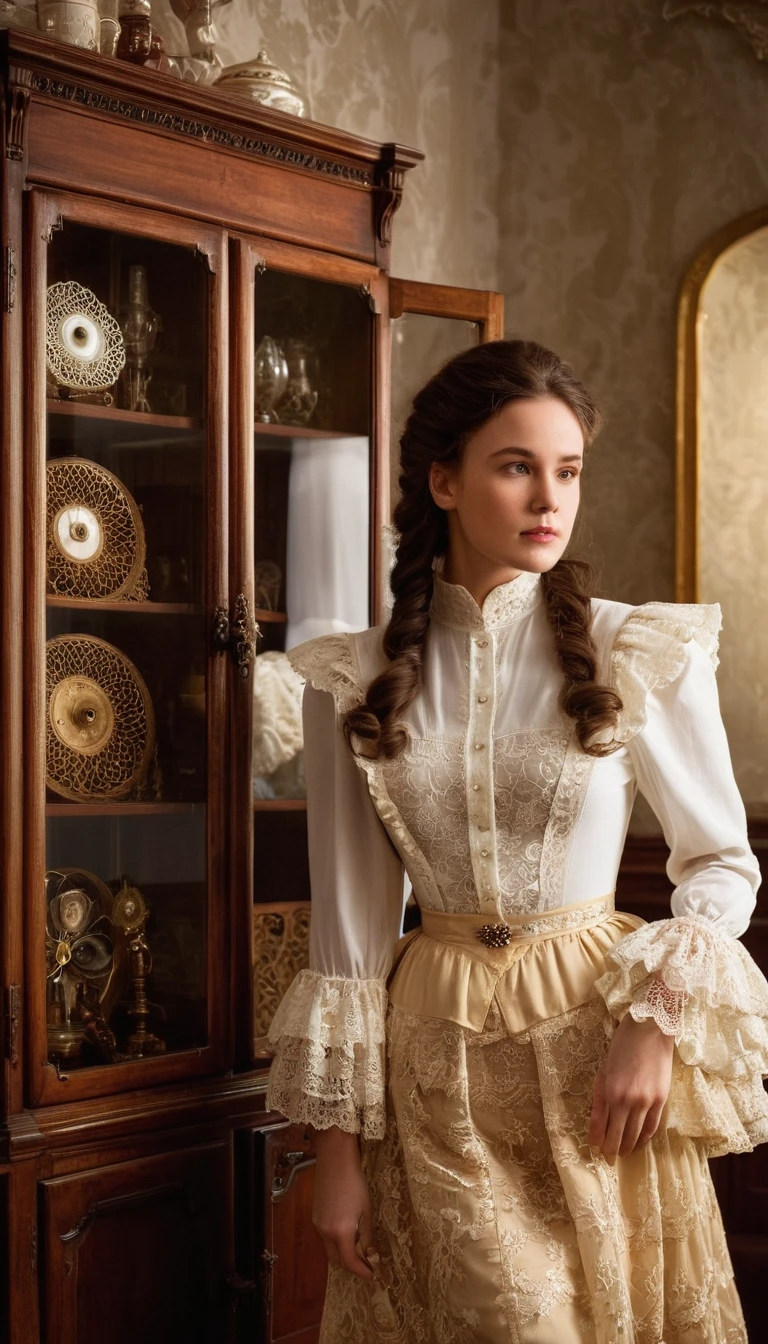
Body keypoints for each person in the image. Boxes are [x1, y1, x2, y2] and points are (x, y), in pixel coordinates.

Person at [266, 339, 768, 1343]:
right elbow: (350, 940)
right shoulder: (353, 678)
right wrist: (338, 1159)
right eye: (517, 466)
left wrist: (653, 1024)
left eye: (569, 470)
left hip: (599, 1069)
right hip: (433, 1075)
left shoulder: (638, 650)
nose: (551, 497)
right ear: (443, 481)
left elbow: (720, 859)